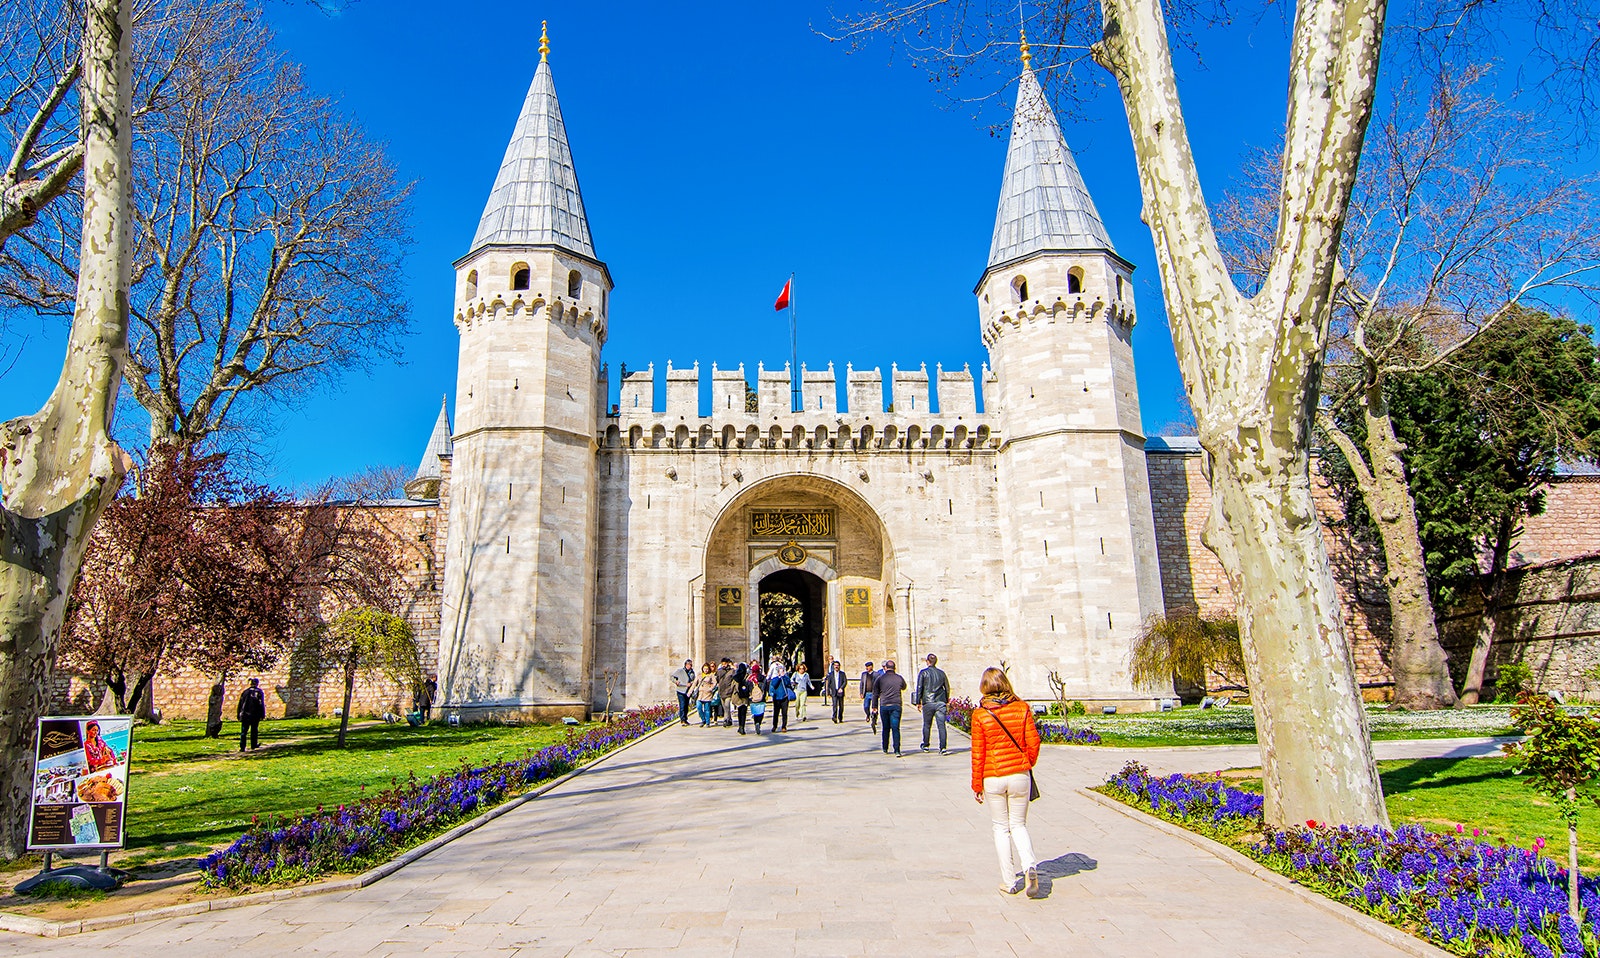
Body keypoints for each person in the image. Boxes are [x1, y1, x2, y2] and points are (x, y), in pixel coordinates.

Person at [970, 667, 1042, 897]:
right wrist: (1025, 763)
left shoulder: (980, 715)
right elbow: (1034, 743)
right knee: (1019, 825)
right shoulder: (1022, 708)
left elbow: (978, 753)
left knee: (1001, 828)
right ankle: (1029, 865)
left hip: (993, 776)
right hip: (1019, 775)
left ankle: (1009, 881)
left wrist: (976, 784)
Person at [914, 653, 951, 754]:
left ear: (927, 661)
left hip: (928, 701)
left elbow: (919, 687)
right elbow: (947, 688)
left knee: (927, 724)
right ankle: (943, 747)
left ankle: (926, 745)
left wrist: (918, 701)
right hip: (940, 701)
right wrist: (946, 700)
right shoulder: (941, 673)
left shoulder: (923, 673)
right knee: (941, 725)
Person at [872, 660, 908, 756]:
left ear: (886, 668)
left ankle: (885, 747)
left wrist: (874, 706)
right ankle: (897, 749)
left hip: (884, 705)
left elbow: (875, 693)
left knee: (886, 727)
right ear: (894, 668)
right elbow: (904, 687)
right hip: (896, 704)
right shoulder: (899, 678)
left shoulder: (880, 679)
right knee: (896, 728)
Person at [237, 677, 266, 752]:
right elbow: (261, 704)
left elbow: (240, 704)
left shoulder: (245, 692)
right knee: (254, 730)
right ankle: (253, 744)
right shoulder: (259, 692)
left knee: (244, 731)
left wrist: (239, 714)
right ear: (257, 683)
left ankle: (242, 746)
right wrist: (262, 714)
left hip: (245, 715)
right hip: (255, 715)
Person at [767, 659, 792, 732]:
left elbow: (788, 684)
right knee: (776, 712)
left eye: (783, 670)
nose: (782, 672)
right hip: (777, 697)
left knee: (784, 713)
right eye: (780, 671)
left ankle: (784, 726)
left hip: (785, 697)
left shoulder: (786, 678)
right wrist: (779, 677)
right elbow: (774, 685)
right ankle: (775, 725)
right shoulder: (775, 678)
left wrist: (784, 677)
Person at [671, 658, 697, 726]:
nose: (689, 666)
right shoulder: (680, 671)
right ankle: (682, 720)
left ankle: (685, 719)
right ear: (685, 665)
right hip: (681, 690)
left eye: (690, 665)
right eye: (688, 665)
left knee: (686, 705)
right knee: (682, 705)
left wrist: (691, 684)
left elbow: (693, 680)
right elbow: (672, 677)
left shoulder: (692, 672)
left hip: (688, 691)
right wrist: (676, 681)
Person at [731, 661, 752, 734]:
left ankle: (740, 726)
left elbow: (732, 687)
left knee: (740, 711)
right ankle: (742, 726)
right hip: (745, 696)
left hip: (737, 696)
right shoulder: (747, 676)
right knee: (744, 712)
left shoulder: (736, 677)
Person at [715, 657, 737, 727]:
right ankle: (729, 719)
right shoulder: (719, 671)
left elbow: (735, 679)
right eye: (722, 664)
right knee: (724, 707)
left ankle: (725, 720)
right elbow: (717, 679)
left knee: (727, 705)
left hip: (728, 691)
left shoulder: (732, 671)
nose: (723, 665)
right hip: (721, 691)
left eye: (725, 663)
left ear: (727, 663)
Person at [695, 663, 718, 727]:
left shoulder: (711, 675)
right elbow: (695, 683)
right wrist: (689, 692)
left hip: (707, 694)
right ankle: (703, 719)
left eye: (707, 669)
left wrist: (710, 688)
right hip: (700, 694)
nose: (706, 670)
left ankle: (707, 722)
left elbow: (715, 682)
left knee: (707, 709)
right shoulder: (699, 675)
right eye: (704, 669)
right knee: (699, 707)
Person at [748, 658, 768, 733]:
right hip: (761, 697)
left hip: (753, 698)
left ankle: (756, 722)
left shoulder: (750, 678)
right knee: (761, 711)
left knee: (755, 712)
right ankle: (759, 722)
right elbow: (765, 687)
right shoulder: (763, 677)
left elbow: (748, 687)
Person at [859, 661, 876, 730]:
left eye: (868, 666)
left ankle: (874, 719)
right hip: (867, 693)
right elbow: (862, 684)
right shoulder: (864, 674)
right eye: (866, 667)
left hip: (874, 693)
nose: (867, 668)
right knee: (866, 706)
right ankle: (868, 714)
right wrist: (861, 692)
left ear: (871, 666)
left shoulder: (876, 674)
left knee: (874, 707)